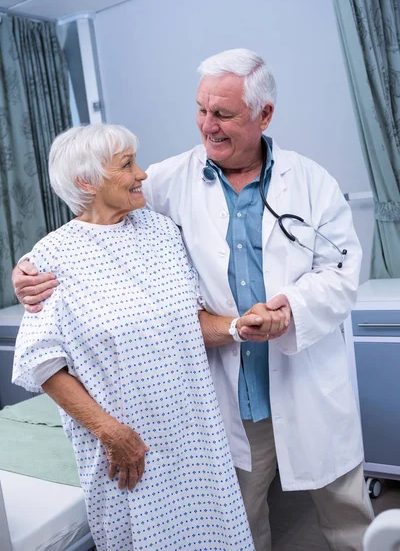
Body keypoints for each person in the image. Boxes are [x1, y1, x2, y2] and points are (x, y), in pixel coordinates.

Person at [13, 49, 374, 551]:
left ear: (263, 115)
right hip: (228, 393)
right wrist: (27, 269)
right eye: (201, 110)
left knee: (347, 514)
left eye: (223, 114)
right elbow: (95, 216)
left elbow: (341, 271)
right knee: (240, 523)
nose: (208, 125)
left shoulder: (311, 182)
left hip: (305, 377)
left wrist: (288, 309)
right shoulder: (166, 180)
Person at [12, 123, 261, 551]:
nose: (142, 174)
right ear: (86, 182)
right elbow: (43, 362)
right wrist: (111, 433)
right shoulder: (51, 257)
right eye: (127, 165)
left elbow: (189, 322)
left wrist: (240, 326)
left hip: (194, 430)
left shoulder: (161, 233)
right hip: (126, 448)